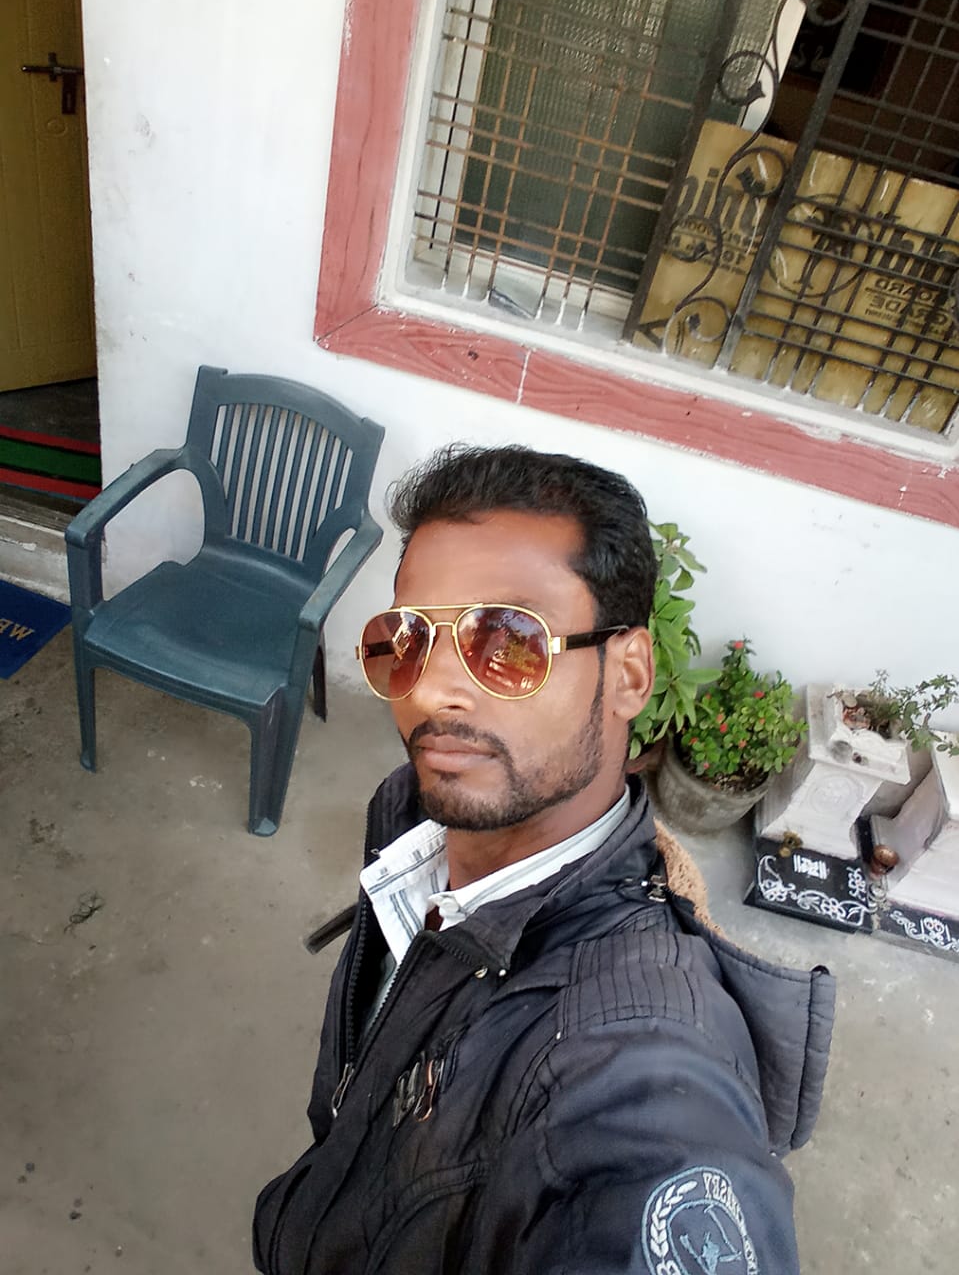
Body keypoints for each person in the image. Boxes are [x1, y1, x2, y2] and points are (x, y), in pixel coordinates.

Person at [252, 445, 834, 1275]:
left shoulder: (637, 1065)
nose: (432, 691)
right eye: (406, 640)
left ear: (628, 673)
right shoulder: (412, 811)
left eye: (508, 641)